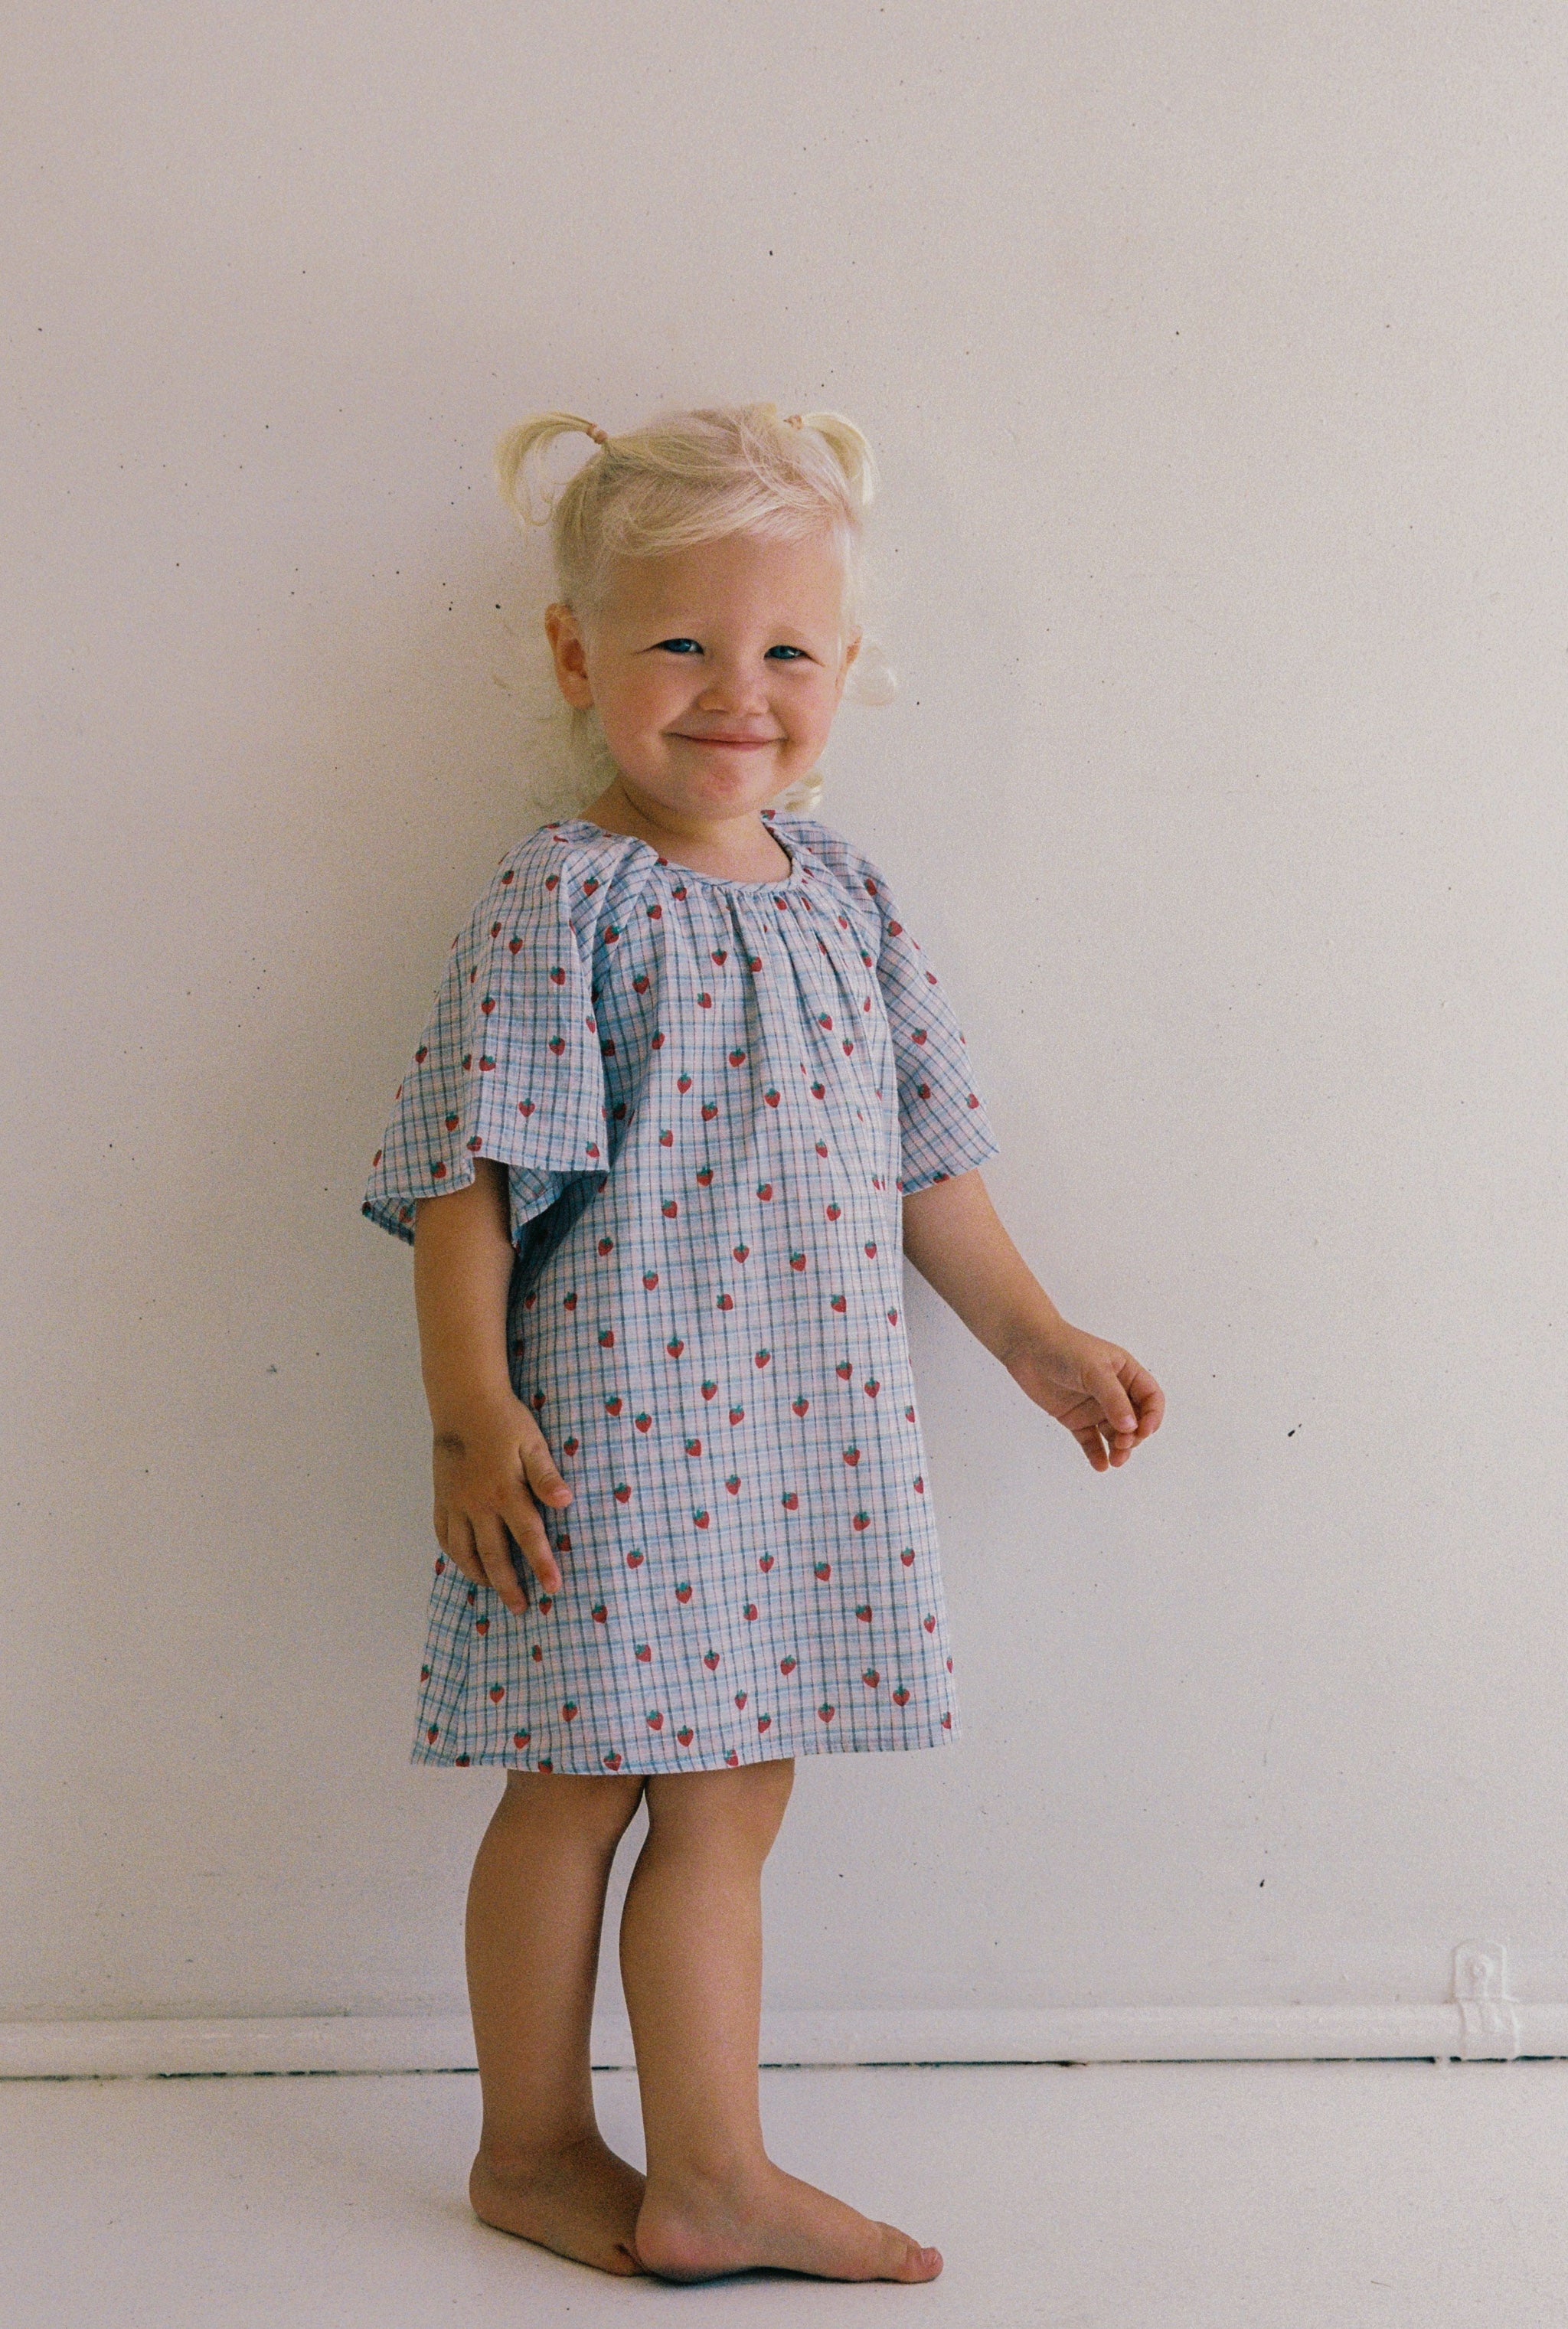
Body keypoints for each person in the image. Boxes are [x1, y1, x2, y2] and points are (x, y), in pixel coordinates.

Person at [361, 403, 1165, 2284]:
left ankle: (709, 2170)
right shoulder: (571, 895)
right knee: (574, 1782)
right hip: (614, 1433)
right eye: (680, 645)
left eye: (787, 650)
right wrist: (468, 1413)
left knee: (736, 1785)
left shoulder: (848, 898)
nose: (739, 692)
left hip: (798, 1436)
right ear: (579, 656)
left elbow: (927, 1168)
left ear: (845, 670)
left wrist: (1040, 1341)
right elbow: (467, 1176)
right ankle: (540, 2144)